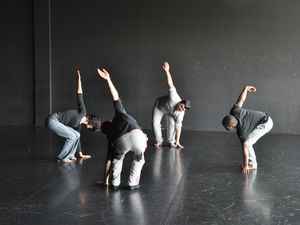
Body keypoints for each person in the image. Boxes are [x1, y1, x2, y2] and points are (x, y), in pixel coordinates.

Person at [97, 68, 148, 190]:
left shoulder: (110, 137)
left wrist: (106, 181)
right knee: (139, 158)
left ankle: (114, 184)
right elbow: (115, 96)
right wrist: (108, 79)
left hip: (120, 142)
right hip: (137, 137)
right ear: (110, 121)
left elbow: (108, 160)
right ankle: (132, 183)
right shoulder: (119, 114)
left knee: (117, 160)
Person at [46, 70, 101, 163]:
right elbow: (80, 95)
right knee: (72, 135)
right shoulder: (83, 112)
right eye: (92, 127)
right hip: (52, 120)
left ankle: (70, 155)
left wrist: (80, 154)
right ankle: (62, 158)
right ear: (92, 124)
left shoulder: (78, 126)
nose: (90, 128)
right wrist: (79, 80)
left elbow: (77, 140)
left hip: (56, 122)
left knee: (77, 135)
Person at [222, 85, 273, 174]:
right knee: (247, 142)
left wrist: (245, 165)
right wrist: (245, 88)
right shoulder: (234, 111)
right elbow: (241, 99)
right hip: (263, 117)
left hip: (266, 123)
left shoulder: (242, 131)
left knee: (248, 143)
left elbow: (244, 149)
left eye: (228, 128)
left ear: (232, 126)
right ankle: (250, 163)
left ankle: (252, 164)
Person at [152, 62, 191, 148]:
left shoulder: (181, 113)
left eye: (183, 109)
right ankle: (159, 141)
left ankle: (171, 141)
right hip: (160, 107)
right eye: (181, 106)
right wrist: (167, 71)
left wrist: (177, 142)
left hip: (170, 112)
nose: (181, 109)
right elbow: (170, 83)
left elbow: (178, 127)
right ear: (180, 102)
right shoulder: (174, 97)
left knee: (172, 124)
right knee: (155, 123)